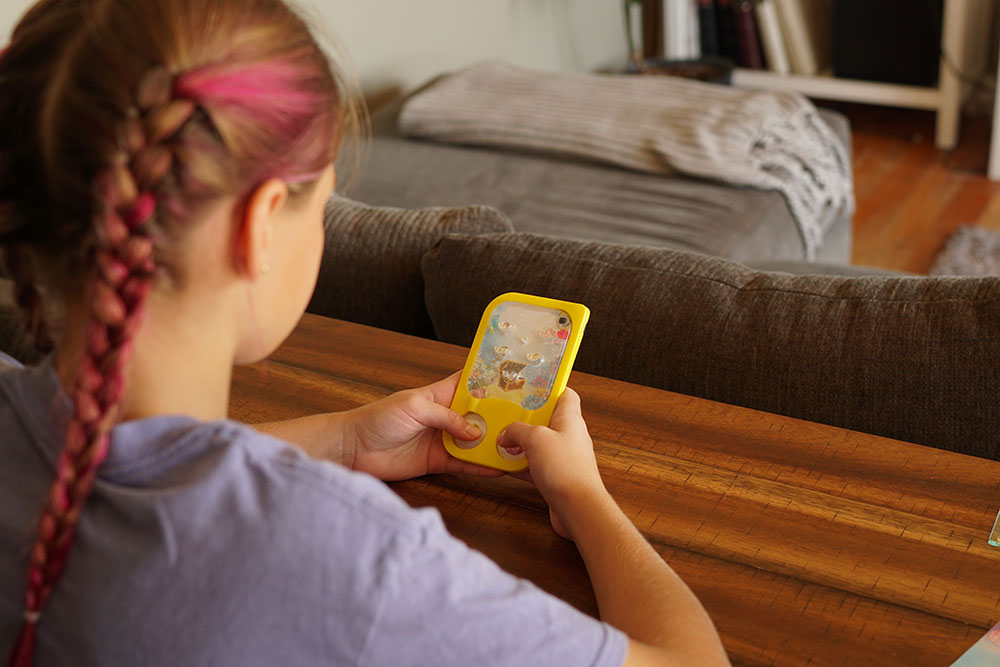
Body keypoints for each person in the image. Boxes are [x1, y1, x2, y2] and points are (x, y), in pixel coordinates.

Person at [0, 0, 729, 665]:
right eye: (323, 202)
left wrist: (342, 440)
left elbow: (143, 468)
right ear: (258, 226)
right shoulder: (359, 560)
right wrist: (583, 496)